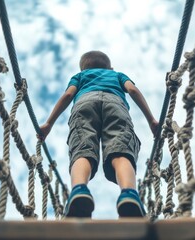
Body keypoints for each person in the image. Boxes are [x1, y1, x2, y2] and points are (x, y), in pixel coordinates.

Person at [39, 50, 158, 218]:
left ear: (83, 69)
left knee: (82, 148)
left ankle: (79, 190)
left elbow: (67, 95)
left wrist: (49, 123)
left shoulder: (80, 76)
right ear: (110, 67)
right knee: (120, 150)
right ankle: (129, 194)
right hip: (115, 104)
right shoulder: (117, 75)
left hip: (84, 103)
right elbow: (133, 91)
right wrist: (151, 120)